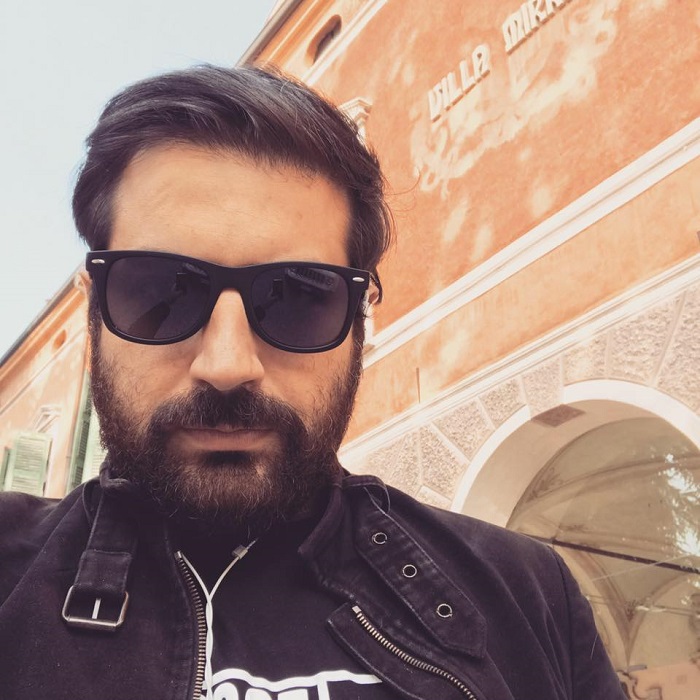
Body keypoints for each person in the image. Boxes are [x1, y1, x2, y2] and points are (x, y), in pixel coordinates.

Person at [0, 65, 624, 700]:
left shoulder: (528, 596)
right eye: (161, 293)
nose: (227, 365)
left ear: (360, 319)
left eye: (298, 297)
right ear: (93, 313)